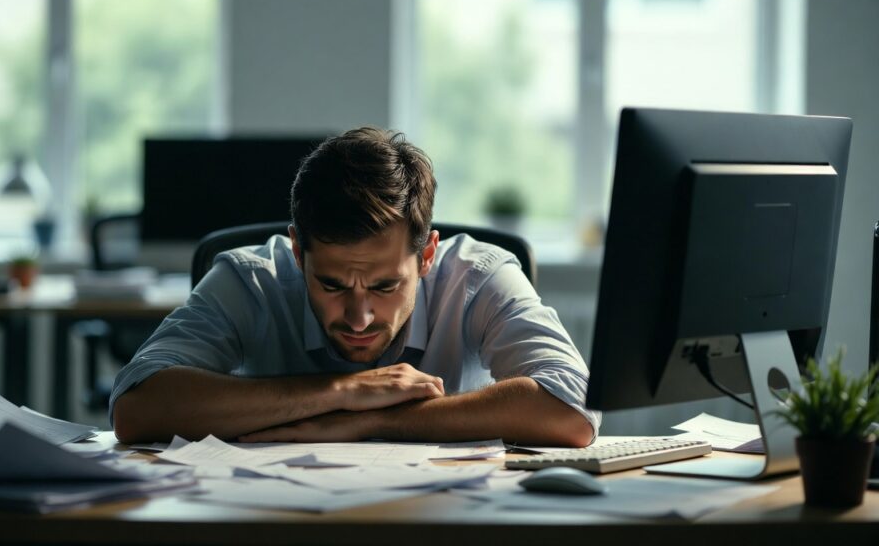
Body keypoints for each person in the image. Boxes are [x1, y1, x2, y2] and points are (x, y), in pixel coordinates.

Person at [111, 127, 599, 446]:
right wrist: (342, 389)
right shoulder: (250, 278)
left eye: (386, 286)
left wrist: (377, 419)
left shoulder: (480, 276)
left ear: (427, 254)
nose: (360, 316)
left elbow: (573, 408)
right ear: (298, 253)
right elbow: (136, 407)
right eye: (332, 284)